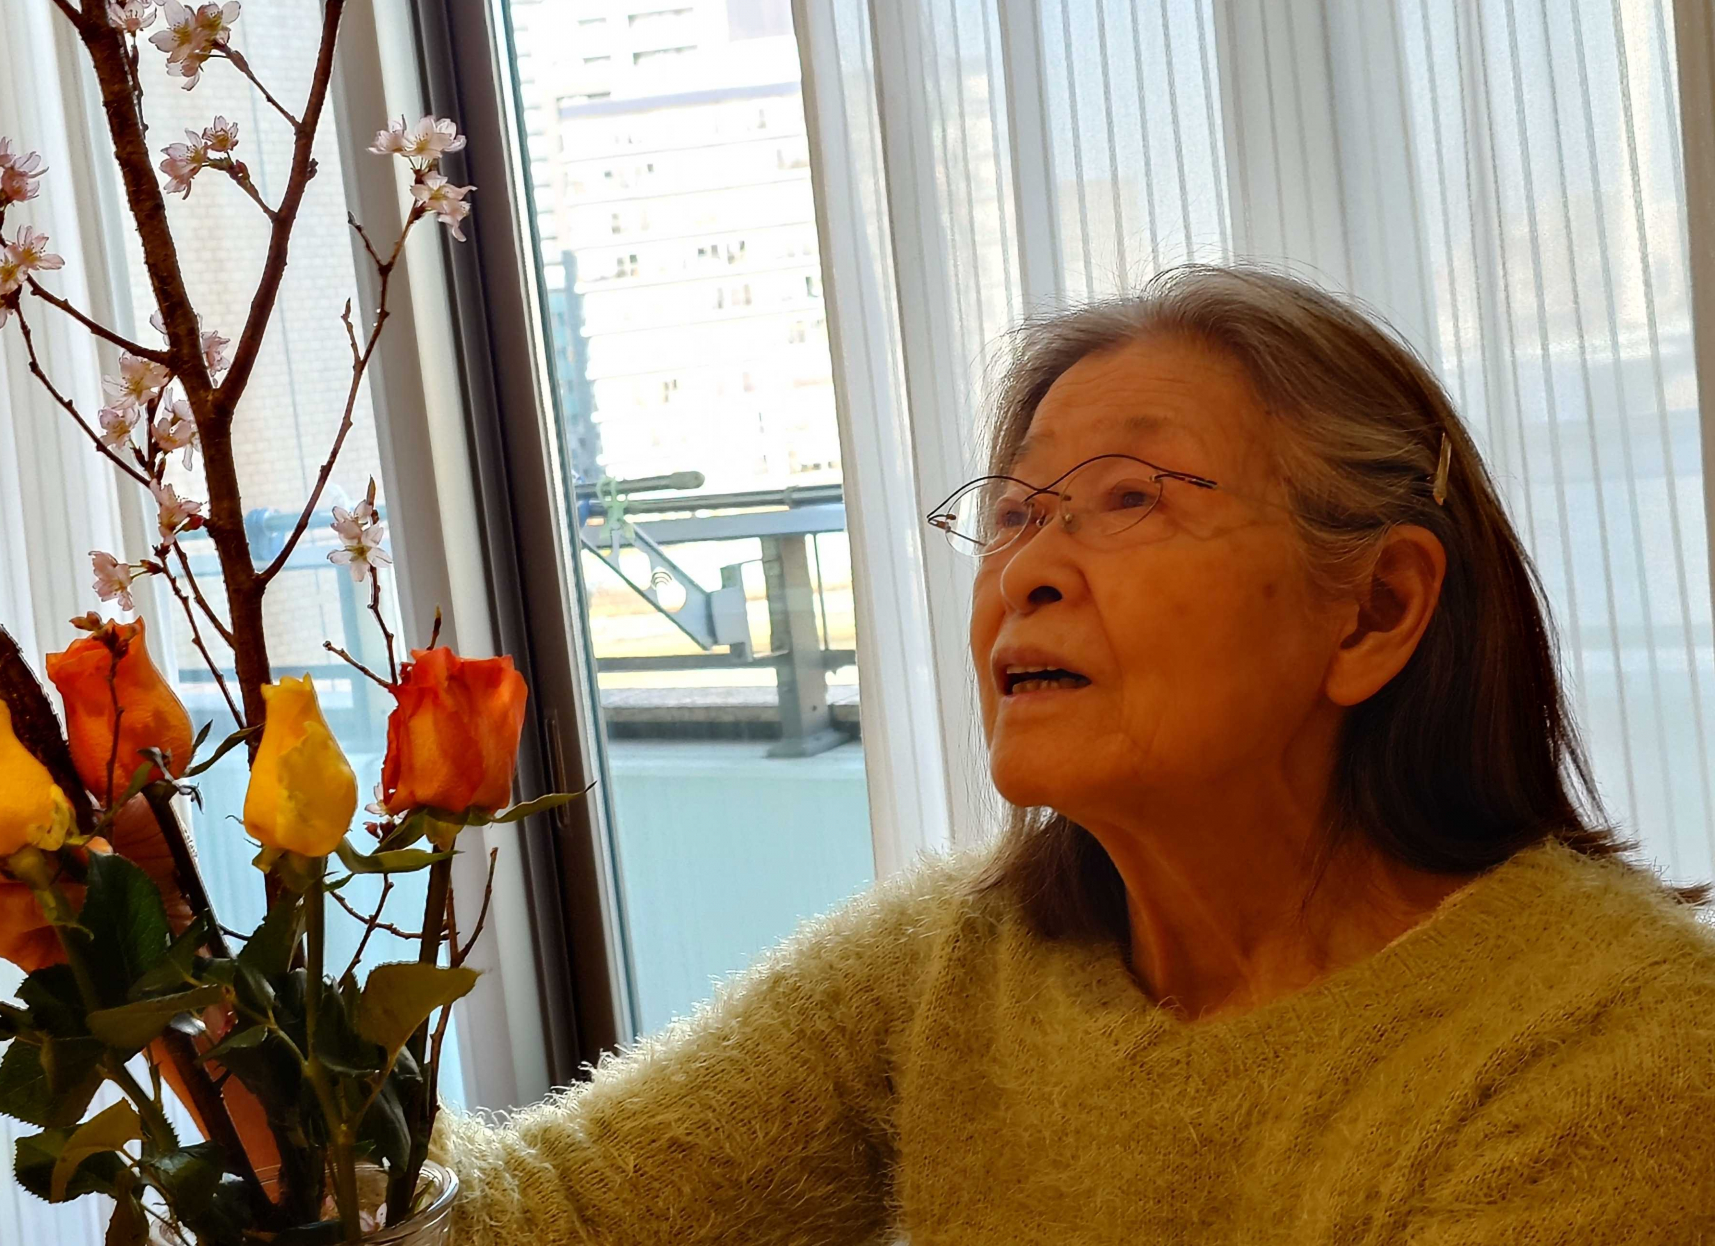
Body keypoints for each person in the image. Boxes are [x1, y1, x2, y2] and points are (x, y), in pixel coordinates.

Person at [435, 265, 1715, 1243]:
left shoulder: (1616, 1047)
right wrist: (310, 1049)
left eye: (1129, 497)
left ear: (1376, 609)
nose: (1027, 571)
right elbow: (543, 1220)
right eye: (1013, 513)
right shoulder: (951, 960)